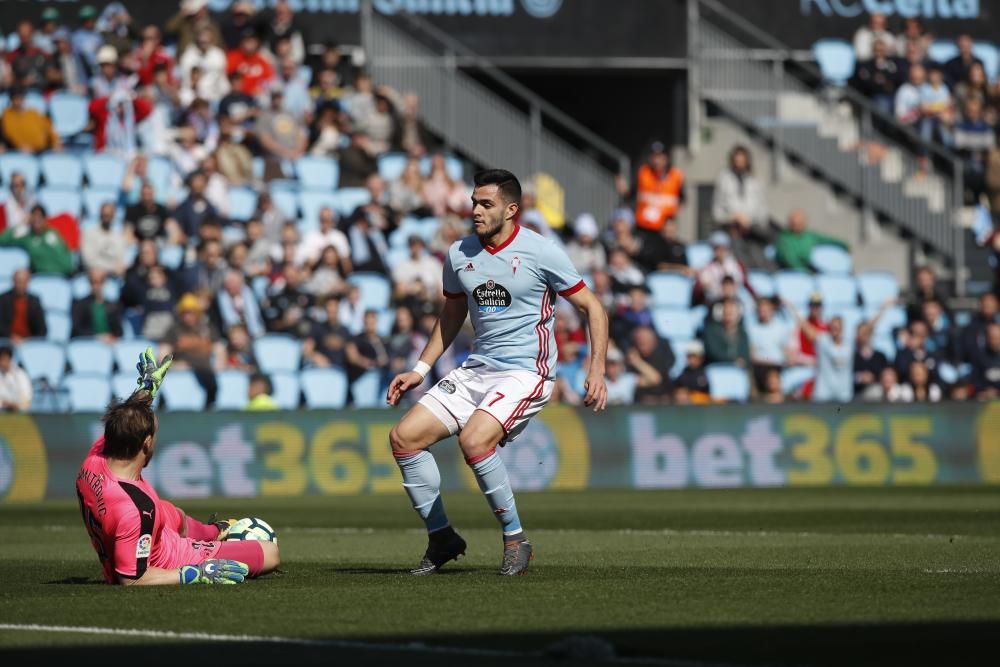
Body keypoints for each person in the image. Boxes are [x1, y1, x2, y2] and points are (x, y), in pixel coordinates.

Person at [385, 169, 608, 577]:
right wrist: (420, 368)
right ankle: (442, 537)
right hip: (478, 368)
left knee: (474, 441)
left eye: (485, 204)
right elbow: (452, 313)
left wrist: (596, 370)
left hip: (528, 372)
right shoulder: (459, 254)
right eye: (473, 202)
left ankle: (515, 538)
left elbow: (593, 307)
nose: (475, 210)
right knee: (404, 438)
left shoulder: (542, 252)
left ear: (511, 209)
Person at [76, 357, 280, 585]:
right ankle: (213, 543)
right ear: (146, 442)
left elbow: (124, 420)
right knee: (269, 552)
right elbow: (132, 578)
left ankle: (215, 531)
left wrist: (147, 388)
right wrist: (197, 573)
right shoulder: (136, 510)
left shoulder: (95, 459)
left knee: (170, 513)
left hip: (148, 533)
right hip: (171, 559)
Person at [0, 205, 74, 275]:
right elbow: (2, 240)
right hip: (37, 277)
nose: (36, 219)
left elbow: (66, 263)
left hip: (58, 277)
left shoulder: (52, 234)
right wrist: (21, 224)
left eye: (40, 216)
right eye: (34, 216)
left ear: (45, 219)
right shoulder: (27, 237)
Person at [634, 141, 684, 243]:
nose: (657, 161)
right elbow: (632, 194)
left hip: (664, 229)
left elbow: (682, 198)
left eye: (660, 157)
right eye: (654, 157)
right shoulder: (643, 172)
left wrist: (672, 218)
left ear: (666, 158)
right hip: (643, 227)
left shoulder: (676, 175)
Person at [774, 209, 849, 273]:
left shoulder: (809, 235)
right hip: (792, 273)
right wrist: (805, 271)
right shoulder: (784, 239)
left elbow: (826, 239)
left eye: (800, 223)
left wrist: (843, 245)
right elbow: (789, 259)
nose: (797, 225)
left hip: (811, 269)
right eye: (794, 223)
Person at [695, 231, 754, 305]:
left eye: (723, 248)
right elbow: (705, 288)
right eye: (717, 248)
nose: (720, 251)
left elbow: (741, 283)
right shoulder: (707, 268)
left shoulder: (735, 265)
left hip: (734, 301)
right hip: (715, 302)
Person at [748, 297, 792, 391]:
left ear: (772, 310)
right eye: (761, 310)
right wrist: (769, 361)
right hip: (761, 367)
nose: (763, 312)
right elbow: (753, 353)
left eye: (766, 310)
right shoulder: (753, 329)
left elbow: (786, 350)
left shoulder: (781, 327)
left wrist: (787, 361)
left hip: (779, 367)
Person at [1, 86, 62, 153]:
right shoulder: (7, 115)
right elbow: (10, 133)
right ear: (11, 100)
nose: (18, 102)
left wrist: (55, 142)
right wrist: (19, 146)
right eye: (15, 99)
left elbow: (49, 127)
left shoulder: (34, 113)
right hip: (20, 152)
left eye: (20, 99)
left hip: (42, 149)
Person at [850, 38, 900, 116]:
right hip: (874, 97)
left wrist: (883, 81)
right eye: (877, 50)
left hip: (892, 95)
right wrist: (883, 82)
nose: (879, 53)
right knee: (882, 104)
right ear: (873, 51)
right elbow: (867, 83)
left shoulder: (892, 64)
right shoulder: (866, 65)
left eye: (881, 50)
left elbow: (896, 80)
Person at [71, 270, 124, 340]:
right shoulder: (79, 305)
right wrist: (98, 337)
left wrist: (110, 337)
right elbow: (76, 330)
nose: (97, 287)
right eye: (94, 282)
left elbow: (119, 331)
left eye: (100, 282)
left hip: (109, 345)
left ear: (105, 283)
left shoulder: (113, 305)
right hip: (88, 344)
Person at [627, 326, 674, 405]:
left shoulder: (663, 356)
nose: (642, 347)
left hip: (662, 400)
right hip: (640, 402)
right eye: (639, 343)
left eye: (644, 343)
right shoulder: (631, 356)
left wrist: (637, 362)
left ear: (654, 342)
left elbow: (656, 378)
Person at [392, 236, 443, 305]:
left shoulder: (432, 262)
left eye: (418, 245)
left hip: (432, 301)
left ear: (422, 246)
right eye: (412, 245)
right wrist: (412, 288)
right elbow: (399, 291)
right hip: (410, 303)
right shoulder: (402, 266)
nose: (415, 248)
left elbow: (441, 286)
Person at [82, 202, 128, 276]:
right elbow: (88, 261)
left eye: (109, 215)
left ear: (114, 216)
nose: (106, 218)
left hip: (114, 276)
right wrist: (111, 268)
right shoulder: (90, 234)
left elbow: (120, 261)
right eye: (104, 215)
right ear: (100, 215)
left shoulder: (119, 237)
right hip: (95, 275)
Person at [702, 298, 751, 368]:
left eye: (732, 312)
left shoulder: (743, 333)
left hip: (737, 370)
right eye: (726, 312)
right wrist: (734, 360)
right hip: (717, 368)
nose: (728, 314)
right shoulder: (711, 330)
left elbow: (746, 355)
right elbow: (713, 353)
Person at [853, 318, 889, 397]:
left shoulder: (880, 356)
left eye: (867, 332)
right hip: (856, 396)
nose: (864, 335)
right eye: (862, 332)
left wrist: (873, 378)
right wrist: (860, 378)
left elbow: (887, 374)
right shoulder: (852, 357)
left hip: (878, 396)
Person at [0, 344, 32, 412]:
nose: (2, 363)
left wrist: (16, 405)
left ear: (10, 359)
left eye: (4, 359)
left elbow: (26, 397)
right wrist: (3, 404)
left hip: (19, 413)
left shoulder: (20, 375)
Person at [972, 322, 1000, 400]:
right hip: (985, 397)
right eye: (992, 337)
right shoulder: (979, 356)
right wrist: (985, 390)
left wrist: (997, 391)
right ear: (987, 337)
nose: (995, 340)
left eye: (997, 337)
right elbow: (975, 380)